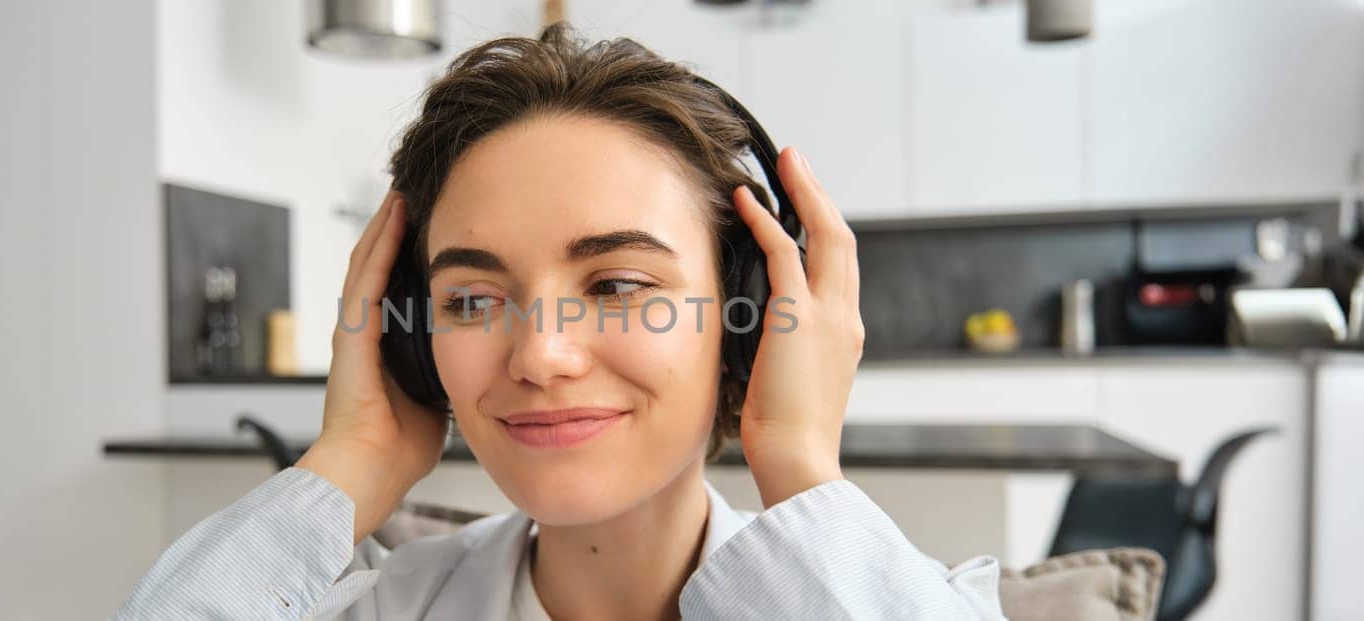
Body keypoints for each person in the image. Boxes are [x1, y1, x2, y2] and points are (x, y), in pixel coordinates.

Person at [116, 22, 1006, 621]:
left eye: (618, 284)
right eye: (469, 300)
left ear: (755, 318)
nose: (540, 353)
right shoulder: (395, 607)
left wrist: (804, 470)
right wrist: (351, 457)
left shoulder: (891, 597)